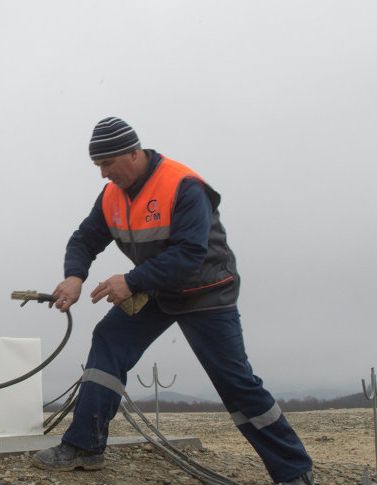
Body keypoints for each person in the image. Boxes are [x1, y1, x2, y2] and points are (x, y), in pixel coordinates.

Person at [31, 117, 314, 485]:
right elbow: (85, 238)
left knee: (235, 382)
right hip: (157, 289)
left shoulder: (183, 186)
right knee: (109, 339)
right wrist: (74, 276)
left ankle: (294, 471)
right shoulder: (112, 195)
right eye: (97, 166)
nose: (102, 174)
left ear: (132, 154)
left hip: (206, 292)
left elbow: (189, 254)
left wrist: (130, 281)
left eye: (106, 164)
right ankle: (84, 447)